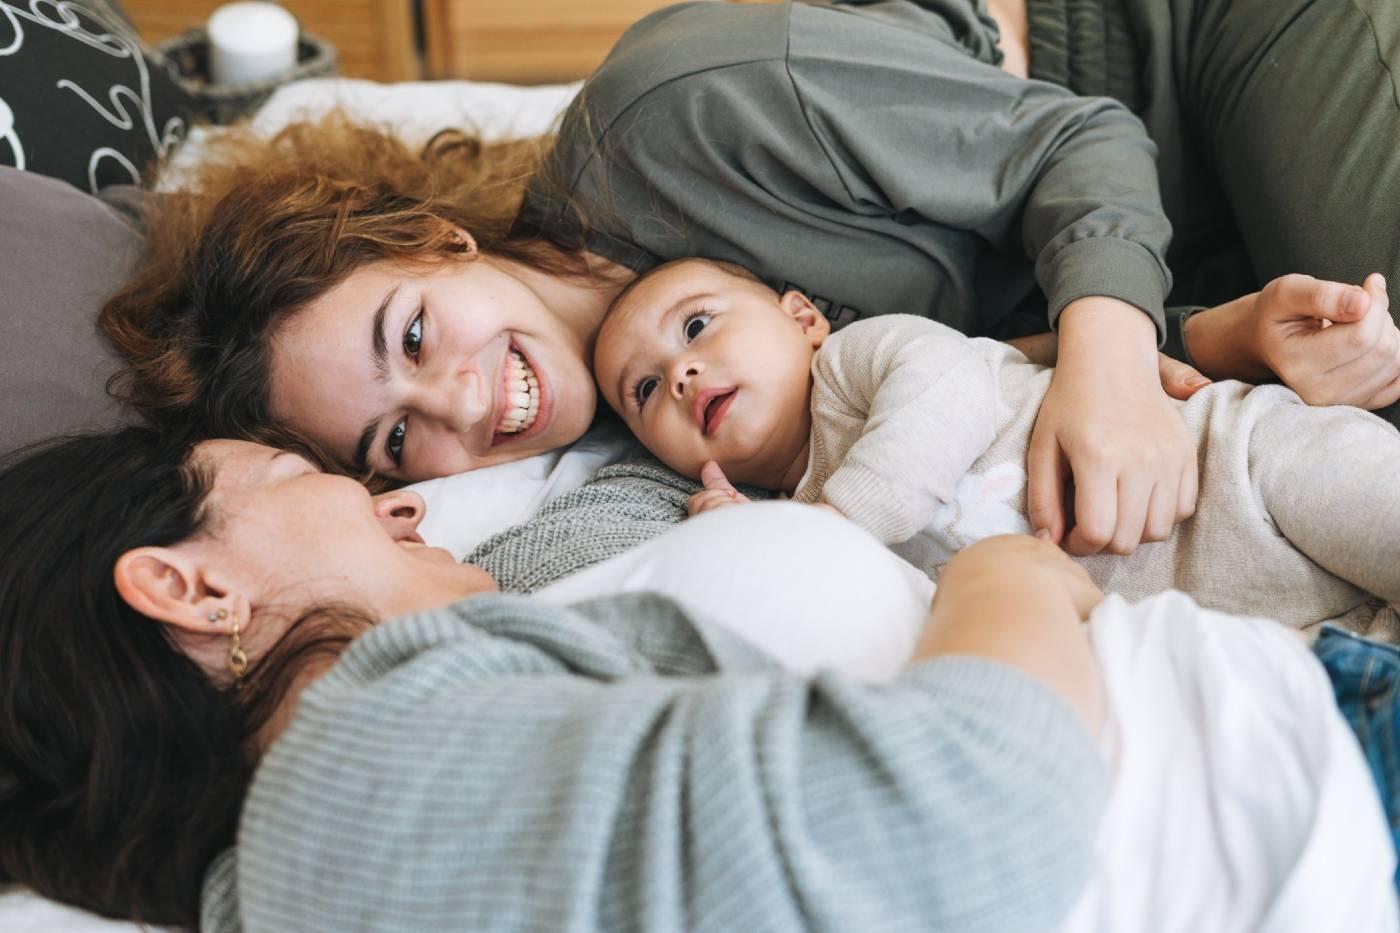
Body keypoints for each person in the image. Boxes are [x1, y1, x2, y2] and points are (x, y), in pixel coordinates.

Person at [100, 0, 1400, 560]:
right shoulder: (646, 420)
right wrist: (1217, 340)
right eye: (395, 436)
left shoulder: (678, 115)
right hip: (1187, 246)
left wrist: (1116, 366)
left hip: (1181, 61)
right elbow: (980, 355)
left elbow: (1077, 140)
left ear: (434, 240)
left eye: (417, 332)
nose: (459, 405)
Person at [0, 429, 1396, 931]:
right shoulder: (352, 775)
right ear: (188, 583)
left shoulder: (332, 848)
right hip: (1311, 788)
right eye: (307, 476)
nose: (408, 505)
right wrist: (1012, 581)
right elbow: (959, 818)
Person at [592, 257, 1400, 634]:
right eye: (647, 390)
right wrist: (738, 533)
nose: (684, 371)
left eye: (697, 326)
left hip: (1239, 467)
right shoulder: (795, 516)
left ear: (803, 319)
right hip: (1220, 611)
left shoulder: (861, 359)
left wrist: (829, 524)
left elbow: (952, 395)